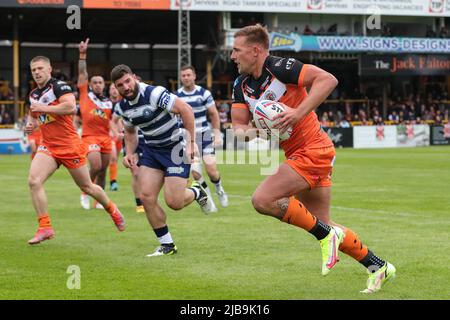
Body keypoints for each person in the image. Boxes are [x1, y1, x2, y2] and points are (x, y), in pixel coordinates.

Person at [230, 24, 395, 293]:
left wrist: (297, 113)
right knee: (323, 222)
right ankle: (379, 266)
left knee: (263, 200)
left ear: (255, 50)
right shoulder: (241, 85)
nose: (232, 56)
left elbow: (328, 80)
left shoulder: (282, 68)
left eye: (236, 50)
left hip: (313, 149)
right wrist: (260, 130)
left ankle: (327, 236)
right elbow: (238, 129)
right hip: (299, 153)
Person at [111, 64, 213, 257]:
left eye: (127, 81)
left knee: (174, 202)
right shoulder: (123, 107)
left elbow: (186, 109)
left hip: (175, 148)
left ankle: (196, 192)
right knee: (146, 197)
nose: (125, 87)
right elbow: (130, 131)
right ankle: (167, 246)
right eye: (120, 85)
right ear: (116, 88)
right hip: (151, 151)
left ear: (134, 78)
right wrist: (129, 153)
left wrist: (191, 143)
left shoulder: (154, 93)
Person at [25, 55, 125, 245]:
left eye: (40, 69)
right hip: (48, 146)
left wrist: (43, 108)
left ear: (49, 69)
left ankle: (112, 209)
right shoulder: (33, 95)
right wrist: (31, 125)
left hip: (69, 146)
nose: (36, 72)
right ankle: (45, 227)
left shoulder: (59, 87)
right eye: (33, 70)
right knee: (33, 181)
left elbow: (70, 107)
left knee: (87, 187)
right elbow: (34, 114)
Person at [175, 65, 228, 212]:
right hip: (188, 139)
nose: (186, 78)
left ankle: (219, 188)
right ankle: (209, 202)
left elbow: (214, 114)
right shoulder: (177, 96)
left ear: (194, 76)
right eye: (183, 75)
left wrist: (217, 133)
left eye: (188, 75)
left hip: (204, 135)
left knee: (211, 170)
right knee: (196, 172)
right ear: (181, 77)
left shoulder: (203, 93)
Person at [75, 38, 115, 210]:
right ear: (90, 85)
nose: (98, 85)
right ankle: (85, 192)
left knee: (103, 170)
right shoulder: (85, 94)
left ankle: (100, 200)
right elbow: (82, 73)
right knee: (96, 166)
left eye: (100, 82)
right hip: (89, 137)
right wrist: (82, 54)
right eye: (95, 83)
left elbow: (113, 121)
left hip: (105, 138)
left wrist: (117, 132)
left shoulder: (109, 103)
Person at [108, 83, 122, 192]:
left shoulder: (122, 103)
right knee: (112, 157)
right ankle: (113, 182)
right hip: (109, 134)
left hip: (119, 134)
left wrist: (122, 131)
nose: (114, 90)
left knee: (115, 159)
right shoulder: (106, 104)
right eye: (112, 88)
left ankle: (112, 179)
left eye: (116, 88)